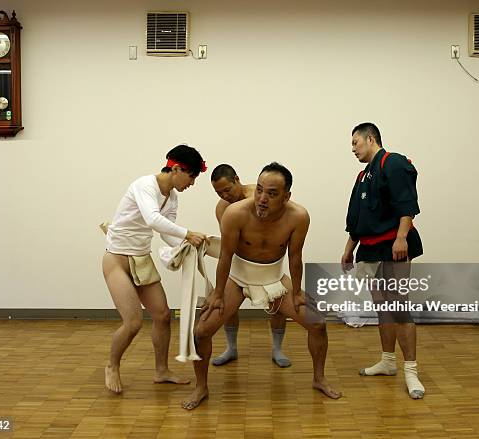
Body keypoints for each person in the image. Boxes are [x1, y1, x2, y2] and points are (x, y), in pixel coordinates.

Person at [182, 162, 341, 410]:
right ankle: (201, 387)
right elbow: (225, 256)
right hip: (237, 276)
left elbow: (295, 257)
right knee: (201, 331)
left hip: (274, 277)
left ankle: (319, 378)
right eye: (259, 190)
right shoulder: (235, 213)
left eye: (272, 193)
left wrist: (297, 292)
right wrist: (217, 294)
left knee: (318, 323)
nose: (262, 199)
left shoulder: (298, 216)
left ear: (286, 196)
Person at [102, 144, 208, 393]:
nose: (192, 183)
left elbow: (166, 231)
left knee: (162, 315)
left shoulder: (171, 196)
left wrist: (188, 244)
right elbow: (152, 219)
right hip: (117, 259)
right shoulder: (144, 185)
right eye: (191, 176)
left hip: (141, 258)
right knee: (133, 323)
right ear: (177, 169)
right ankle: (112, 365)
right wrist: (188, 233)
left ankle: (161, 371)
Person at [341, 122, 425, 399]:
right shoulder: (362, 176)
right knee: (382, 308)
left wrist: (401, 238)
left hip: (394, 245)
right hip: (369, 248)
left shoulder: (394, 163)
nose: (352, 148)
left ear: (371, 138)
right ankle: (388, 362)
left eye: (356, 142)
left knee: (399, 307)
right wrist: (349, 248)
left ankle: (411, 370)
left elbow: (406, 204)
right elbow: (357, 217)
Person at [210, 164, 291, 367]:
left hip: (268, 268)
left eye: (227, 190)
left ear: (237, 179)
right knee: (227, 309)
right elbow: (230, 243)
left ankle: (277, 348)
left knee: (278, 306)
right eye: (219, 192)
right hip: (239, 266)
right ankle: (231, 348)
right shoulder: (223, 208)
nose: (224, 195)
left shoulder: (260, 198)